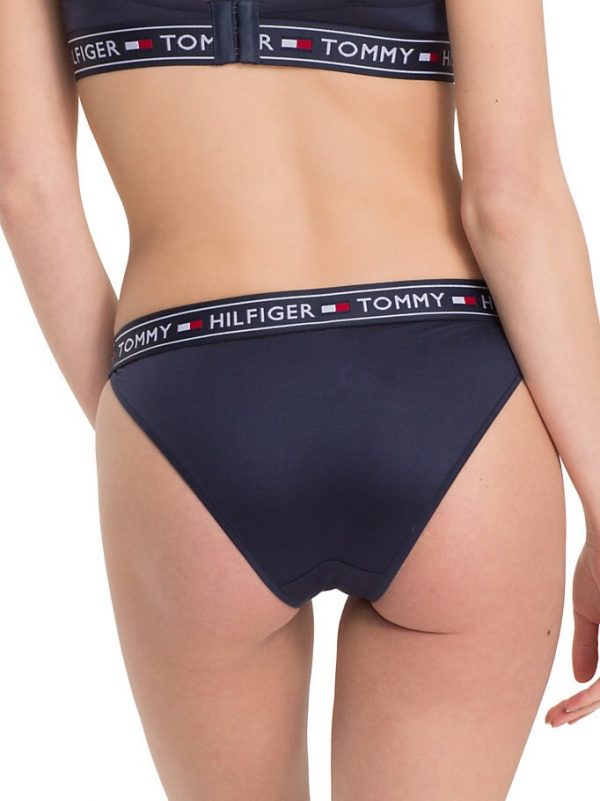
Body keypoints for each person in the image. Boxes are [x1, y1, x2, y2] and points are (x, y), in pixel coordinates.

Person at [1, 0, 599, 799]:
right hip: (450, 401)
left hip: (193, 380)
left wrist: (144, 436)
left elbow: (26, 191)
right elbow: (512, 198)